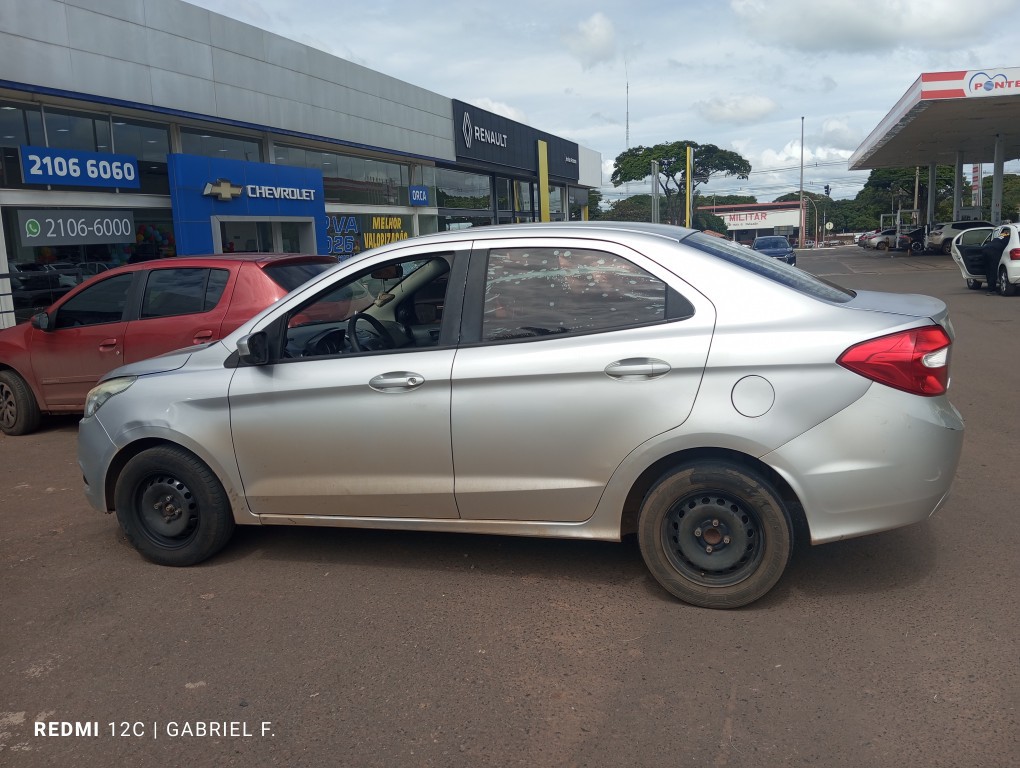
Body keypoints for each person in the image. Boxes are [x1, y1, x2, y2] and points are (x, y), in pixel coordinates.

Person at [983, 229, 1010, 295]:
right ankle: (991, 290)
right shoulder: (1009, 238)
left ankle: (990, 288)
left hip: (986, 249)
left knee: (988, 270)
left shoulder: (1000, 236)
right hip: (994, 251)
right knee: (993, 269)